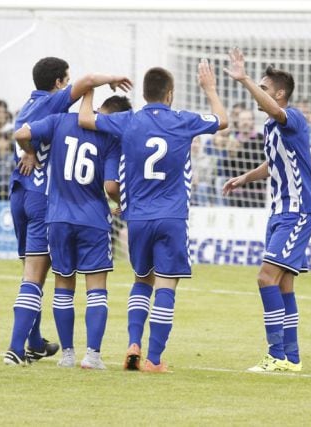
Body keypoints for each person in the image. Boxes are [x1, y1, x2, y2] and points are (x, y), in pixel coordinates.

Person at [80, 62, 227, 372]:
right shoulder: (183, 121)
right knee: (166, 286)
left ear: (144, 94)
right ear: (169, 94)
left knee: (141, 280)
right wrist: (210, 89)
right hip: (172, 216)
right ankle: (154, 359)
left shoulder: (128, 121)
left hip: (138, 219)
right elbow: (222, 121)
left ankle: (134, 342)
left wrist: (91, 87)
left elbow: (84, 118)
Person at [3, 56, 133, 366]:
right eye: (67, 79)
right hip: (45, 199)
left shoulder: (29, 107)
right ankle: (16, 348)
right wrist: (112, 77)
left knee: (31, 272)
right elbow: (88, 80)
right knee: (38, 276)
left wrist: (30, 151)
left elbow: (22, 133)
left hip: (18, 192)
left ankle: (34, 342)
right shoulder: (58, 106)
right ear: (60, 83)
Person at [222, 48, 311, 372]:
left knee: (265, 278)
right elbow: (273, 163)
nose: (258, 93)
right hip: (279, 213)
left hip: (297, 211)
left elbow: (275, 110)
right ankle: (291, 358)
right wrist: (245, 177)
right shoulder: (270, 128)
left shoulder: (293, 118)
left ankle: (275, 354)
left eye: (264, 88)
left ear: (278, 93)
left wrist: (244, 77)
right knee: (283, 284)